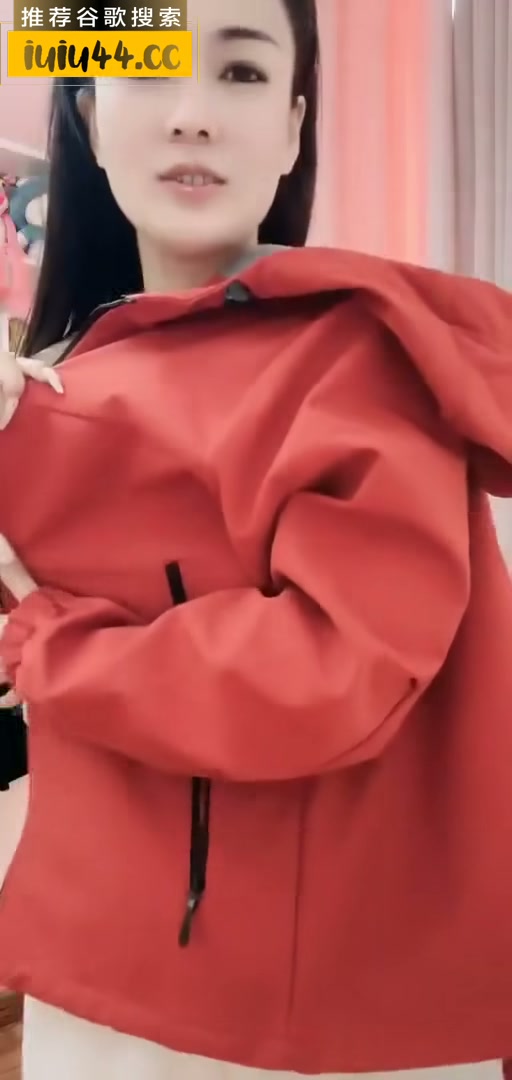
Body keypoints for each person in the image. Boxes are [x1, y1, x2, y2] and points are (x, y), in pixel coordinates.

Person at [1, 0, 512, 1078]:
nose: (191, 113)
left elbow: (336, 668)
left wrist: (48, 643)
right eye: (149, 71)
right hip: (92, 982)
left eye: (239, 75)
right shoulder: (59, 381)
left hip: (311, 1026)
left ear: (291, 126)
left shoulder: (361, 358)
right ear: (89, 119)